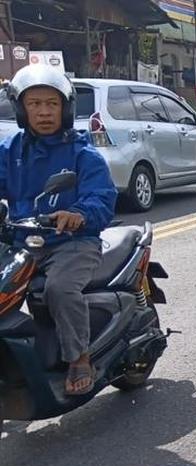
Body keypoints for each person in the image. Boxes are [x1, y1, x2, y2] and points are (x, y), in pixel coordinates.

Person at [0, 64, 118, 395]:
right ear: (22, 109)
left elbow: (101, 198)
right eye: (35, 104)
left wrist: (78, 214)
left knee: (60, 290)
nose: (44, 112)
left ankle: (79, 357)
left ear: (64, 108)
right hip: (24, 242)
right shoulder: (10, 152)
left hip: (71, 242)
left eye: (51, 104)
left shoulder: (83, 153)